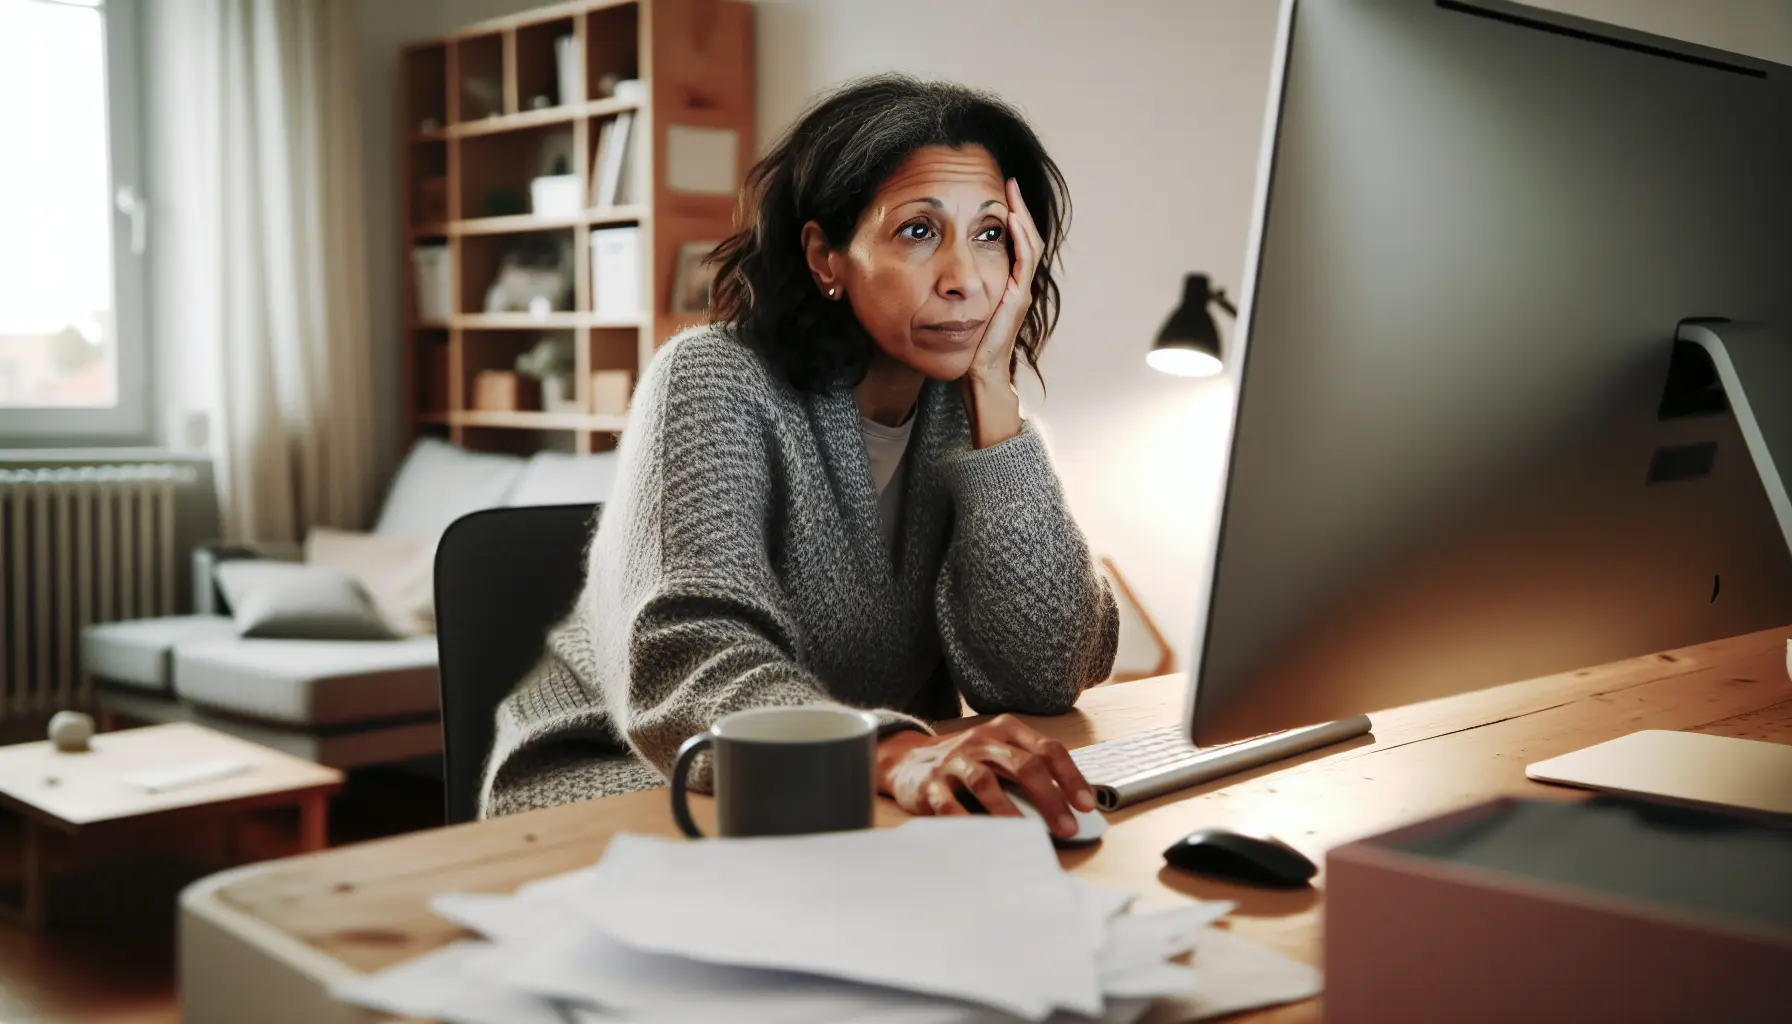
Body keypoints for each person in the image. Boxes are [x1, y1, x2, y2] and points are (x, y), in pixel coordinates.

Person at [480, 75, 1119, 838]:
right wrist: (891, 751)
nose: (964, 280)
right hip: (629, 779)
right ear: (826, 257)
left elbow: (1043, 674)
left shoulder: (974, 421)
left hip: (858, 790)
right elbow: (687, 655)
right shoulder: (711, 380)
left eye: (990, 235)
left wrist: (992, 387)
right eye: (918, 231)